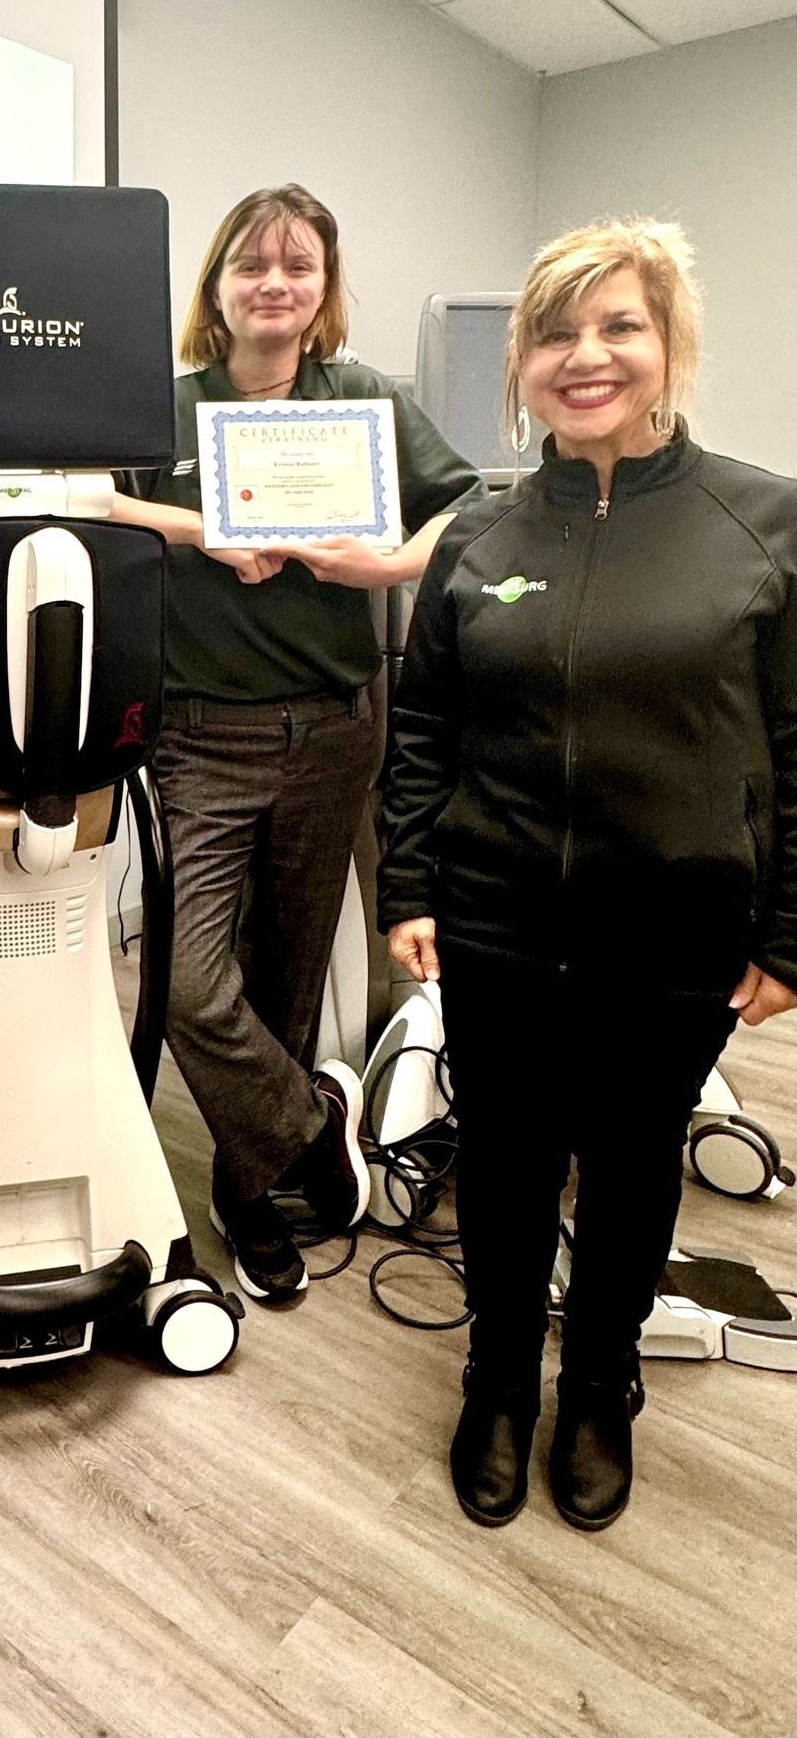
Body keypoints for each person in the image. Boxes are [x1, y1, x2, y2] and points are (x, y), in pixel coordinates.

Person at [380, 219, 797, 1531]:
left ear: (670, 347)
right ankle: (499, 1376)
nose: (587, 354)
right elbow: (423, 730)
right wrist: (407, 887)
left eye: (619, 324)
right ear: (523, 363)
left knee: (630, 1167)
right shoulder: (480, 539)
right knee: (505, 1162)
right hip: (498, 920)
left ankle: (601, 1384)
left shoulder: (764, 523)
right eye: (556, 331)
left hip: (675, 927)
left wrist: (791, 935)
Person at [116, 184, 477, 1302]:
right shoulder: (159, 406)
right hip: (198, 739)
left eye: (299, 267)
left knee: (282, 979)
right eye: (251, 265)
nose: (274, 284)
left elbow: (467, 512)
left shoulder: (363, 397)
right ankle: (308, 1128)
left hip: (331, 734)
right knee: (183, 985)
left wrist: (375, 565)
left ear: (324, 288)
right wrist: (202, 529)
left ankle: (241, 1186)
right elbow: (85, 497)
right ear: (215, 285)